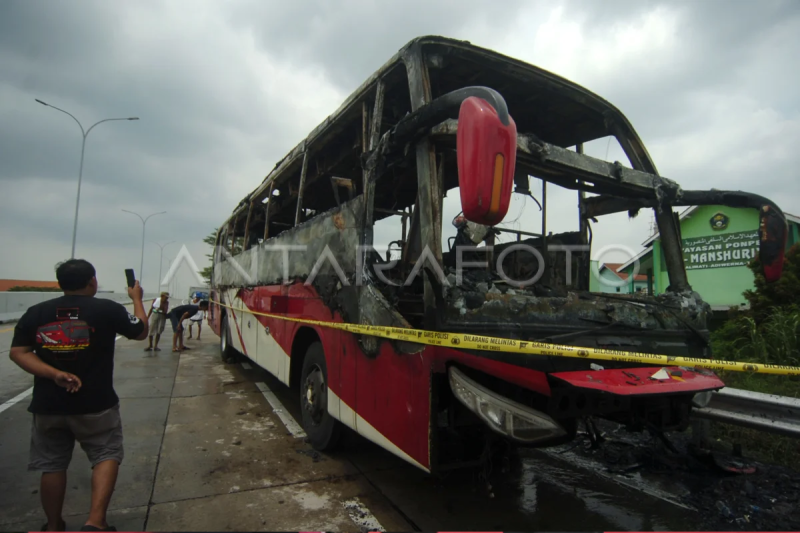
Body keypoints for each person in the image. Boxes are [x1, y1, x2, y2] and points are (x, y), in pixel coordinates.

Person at [9, 259, 148, 532]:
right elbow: (141, 331)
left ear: (61, 284)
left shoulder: (36, 313)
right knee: (105, 454)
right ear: (92, 281)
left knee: (52, 465)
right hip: (96, 404)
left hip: (48, 406)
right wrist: (137, 299)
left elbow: (18, 352)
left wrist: (53, 373)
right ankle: (95, 522)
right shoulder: (108, 309)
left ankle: (53, 525)